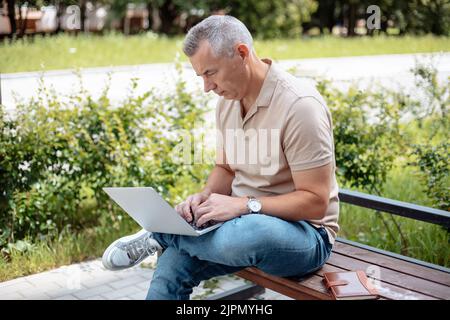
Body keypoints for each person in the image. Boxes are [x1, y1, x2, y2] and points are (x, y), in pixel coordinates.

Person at [101, 15, 339, 300]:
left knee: (246, 233)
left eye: (210, 73)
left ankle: (159, 235)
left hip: (304, 235)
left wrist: (243, 205)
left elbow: (315, 202)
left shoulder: (300, 106)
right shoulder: (227, 104)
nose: (207, 87)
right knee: (171, 265)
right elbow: (226, 168)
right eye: (201, 76)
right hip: (236, 224)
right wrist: (204, 200)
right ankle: (171, 235)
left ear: (241, 54)